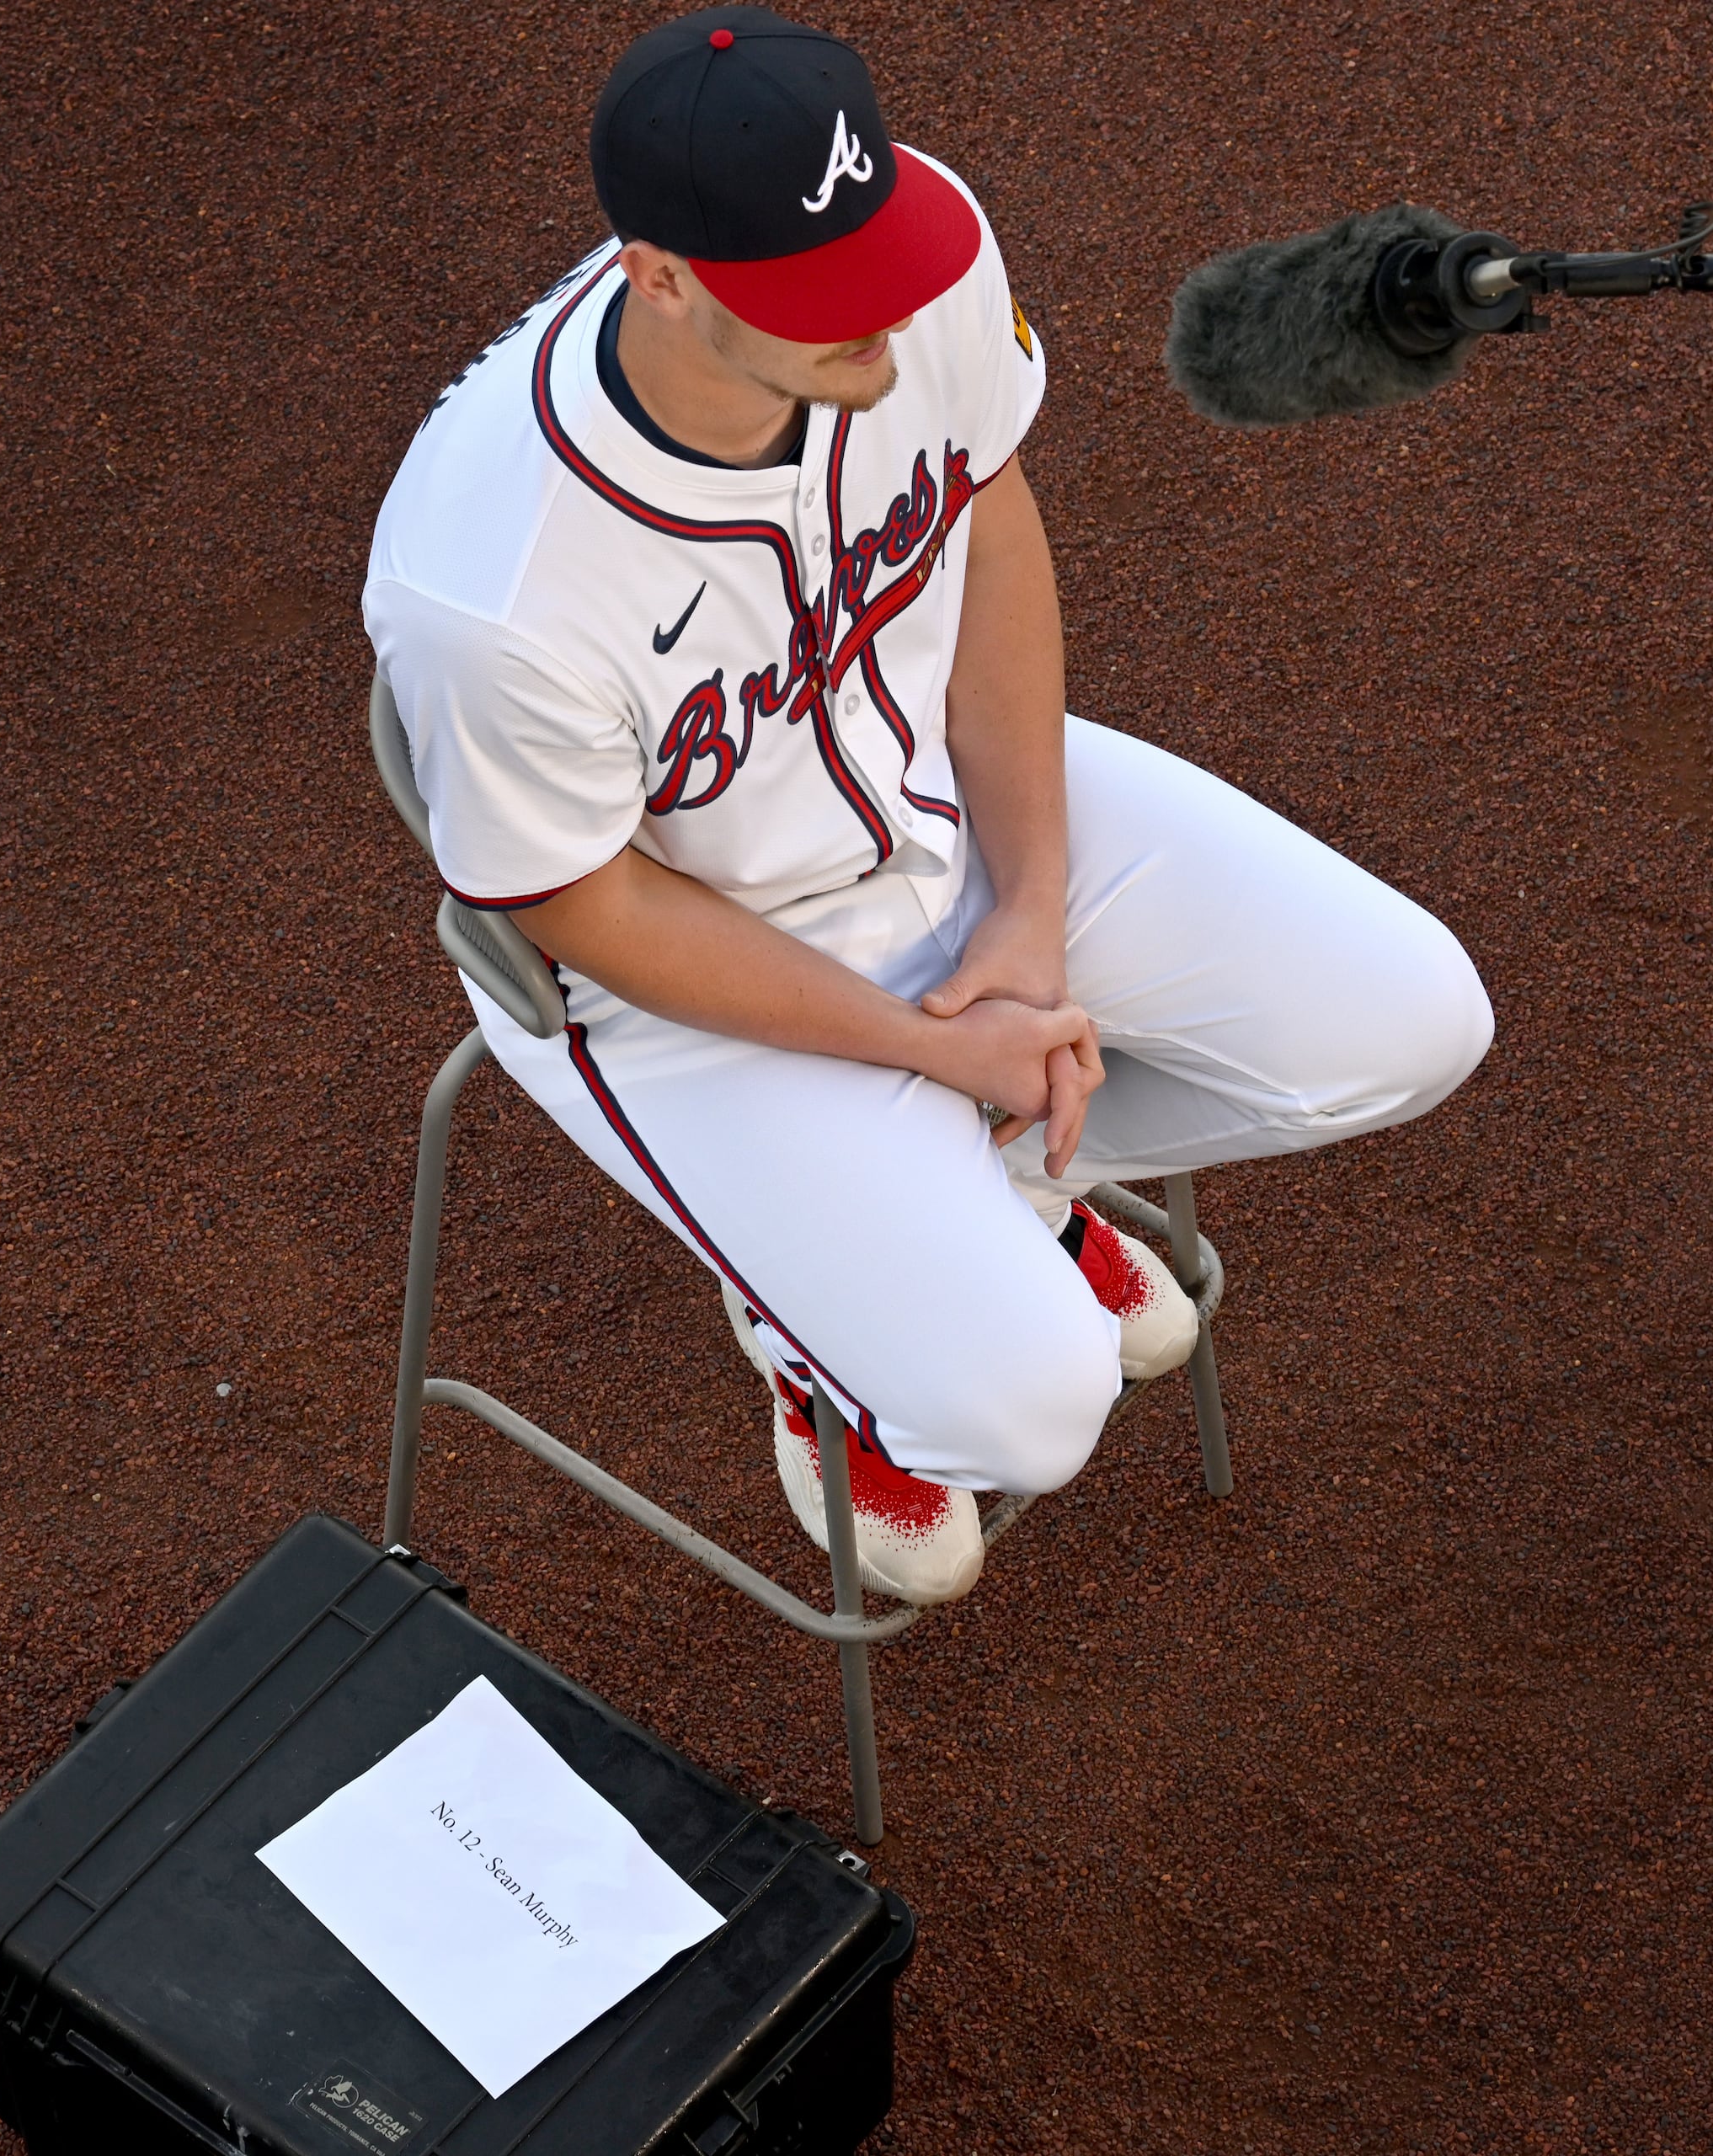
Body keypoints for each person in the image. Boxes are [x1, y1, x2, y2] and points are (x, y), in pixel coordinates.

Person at [363, 6, 1492, 1604]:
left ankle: (1000, 1195)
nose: (888, 339)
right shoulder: (494, 588)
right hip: (680, 996)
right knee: (1038, 1408)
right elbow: (577, 904)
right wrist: (933, 1049)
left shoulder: (918, 251)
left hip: (941, 805)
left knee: (1414, 1020)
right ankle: (826, 1336)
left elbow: (988, 522)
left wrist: (1029, 916)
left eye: (886, 274)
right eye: (829, 313)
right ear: (662, 274)